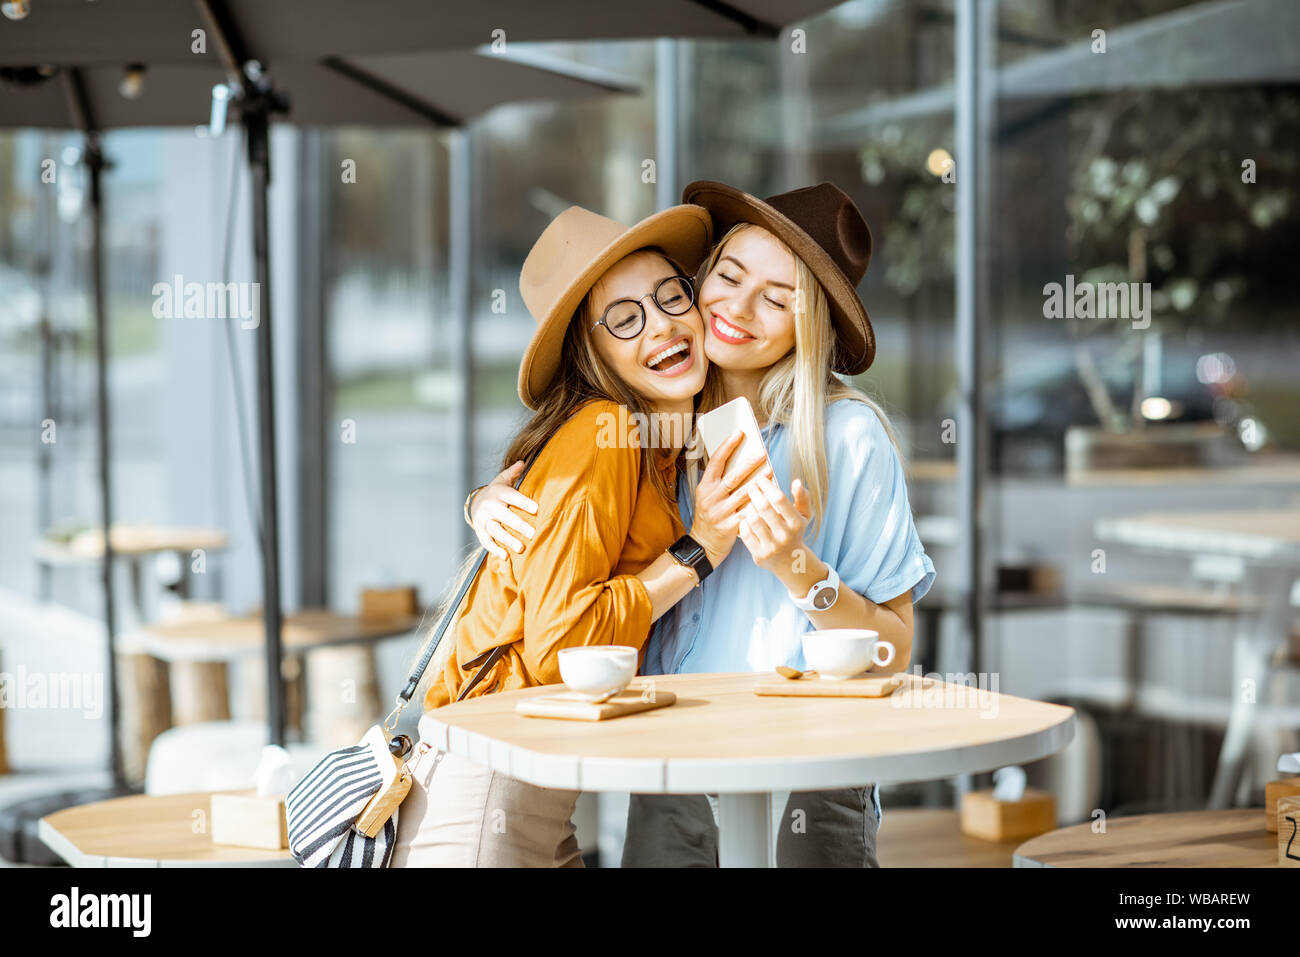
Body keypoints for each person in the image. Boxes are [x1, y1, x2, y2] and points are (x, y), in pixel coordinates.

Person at [468, 181, 935, 867]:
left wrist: (796, 567)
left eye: (777, 299)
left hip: (812, 773)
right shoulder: (651, 431)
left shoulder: (848, 437)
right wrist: (487, 499)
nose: (738, 309)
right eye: (728, 276)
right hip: (671, 768)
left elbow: (894, 652)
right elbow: (567, 573)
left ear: (811, 328)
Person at [389, 201, 767, 867]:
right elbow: (564, 640)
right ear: (591, 351)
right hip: (486, 792)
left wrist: (479, 502)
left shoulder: (658, 442)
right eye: (624, 318)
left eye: (670, 295)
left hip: (524, 791)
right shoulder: (603, 434)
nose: (661, 325)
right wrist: (698, 550)